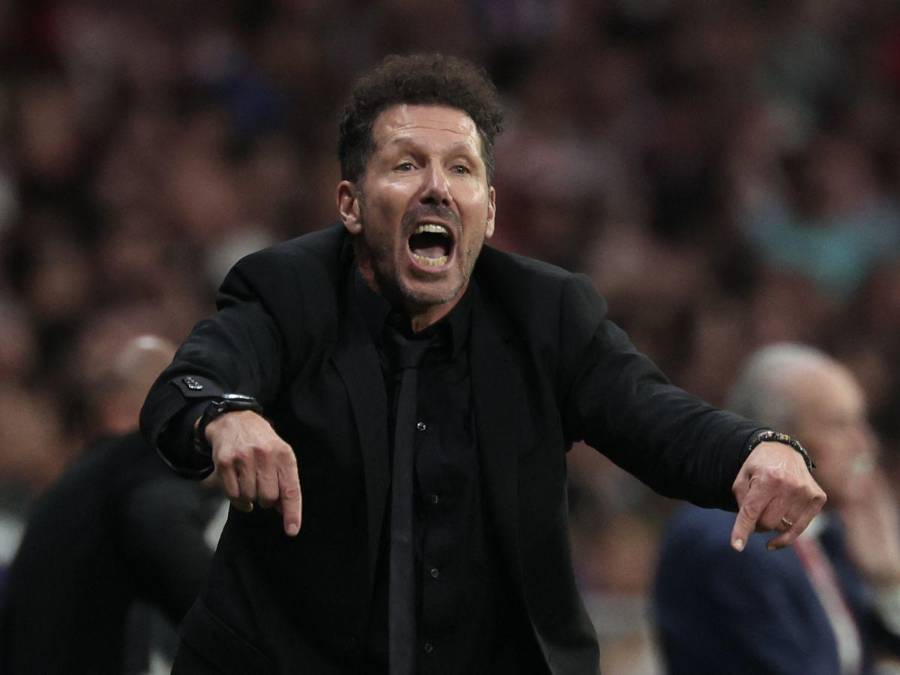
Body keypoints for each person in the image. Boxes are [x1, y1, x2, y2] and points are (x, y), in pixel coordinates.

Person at [140, 53, 825, 674]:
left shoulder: (547, 314)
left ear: (489, 211)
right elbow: (190, 382)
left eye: (461, 169)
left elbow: (652, 414)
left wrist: (759, 447)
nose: (437, 188)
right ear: (350, 204)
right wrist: (226, 416)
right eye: (406, 165)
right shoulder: (288, 290)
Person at [654, 343, 900, 675]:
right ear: (781, 438)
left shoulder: (828, 536)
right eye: (840, 425)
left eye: (861, 422)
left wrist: (888, 584)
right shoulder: (730, 538)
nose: (865, 444)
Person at [1, 336, 224, 674]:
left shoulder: (74, 489)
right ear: (120, 409)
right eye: (182, 402)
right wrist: (246, 631)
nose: (203, 423)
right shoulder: (141, 459)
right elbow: (158, 521)